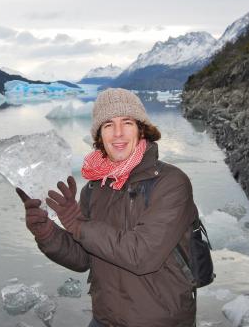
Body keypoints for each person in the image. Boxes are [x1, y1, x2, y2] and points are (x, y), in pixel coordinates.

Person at [16, 88, 199, 327]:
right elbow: (83, 258)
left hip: (159, 320)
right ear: (99, 135)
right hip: (105, 318)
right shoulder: (94, 188)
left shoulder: (171, 183)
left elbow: (142, 255)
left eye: (127, 122)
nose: (118, 133)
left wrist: (79, 225)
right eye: (108, 125)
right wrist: (47, 232)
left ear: (141, 129)